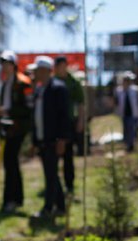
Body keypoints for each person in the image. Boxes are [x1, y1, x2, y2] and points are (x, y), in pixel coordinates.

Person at [31, 56, 71, 218]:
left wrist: (62, 139)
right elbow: (36, 116)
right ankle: (60, 207)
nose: (34, 74)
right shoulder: (40, 90)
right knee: (51, 174)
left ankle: (48, 208)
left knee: (51, 175)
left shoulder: (58, 88)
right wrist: (35, 140)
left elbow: (64, 116)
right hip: (43, 139)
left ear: (45, 71)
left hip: (54, 141)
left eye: (37, 71)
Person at [0, 50, 33, 212]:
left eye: (7, 64)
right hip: (7, 127)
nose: (5, 67)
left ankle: (13, 199)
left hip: (17, 128)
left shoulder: (23, 83)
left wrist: (9, 112)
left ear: (14, 65)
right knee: (9, 162)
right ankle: (12, 199)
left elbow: (28, 108)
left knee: (11, 161)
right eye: (3, 64)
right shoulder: (5, 84)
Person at [54, 56, 85, 195]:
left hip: (69, 123)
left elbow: (81, 103)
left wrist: (81, 121)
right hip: (54, 124)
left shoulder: (73, 82)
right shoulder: (53, 81)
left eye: (63, 66)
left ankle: (69, 183)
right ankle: (54, 185)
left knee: (68, 155)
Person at [115, 72, 138, 153]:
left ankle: (131, 145)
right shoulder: (119, 91)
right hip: (124, 114)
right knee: (126, 129)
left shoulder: (136, 90)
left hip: (133, 113)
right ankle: (128, 144)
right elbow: (117, 103)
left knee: (131, 128)